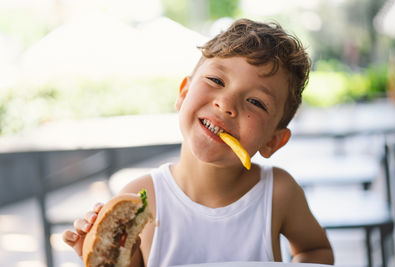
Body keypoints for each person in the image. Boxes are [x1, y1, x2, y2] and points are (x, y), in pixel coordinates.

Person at [63, 18, 334, 266]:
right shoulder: (141, 197)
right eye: (216, 80)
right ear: (183, 94)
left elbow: (316, 251)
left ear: (273, 141)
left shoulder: (279, 192)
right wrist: (105, 254)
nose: (226, 103)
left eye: (255, 102)